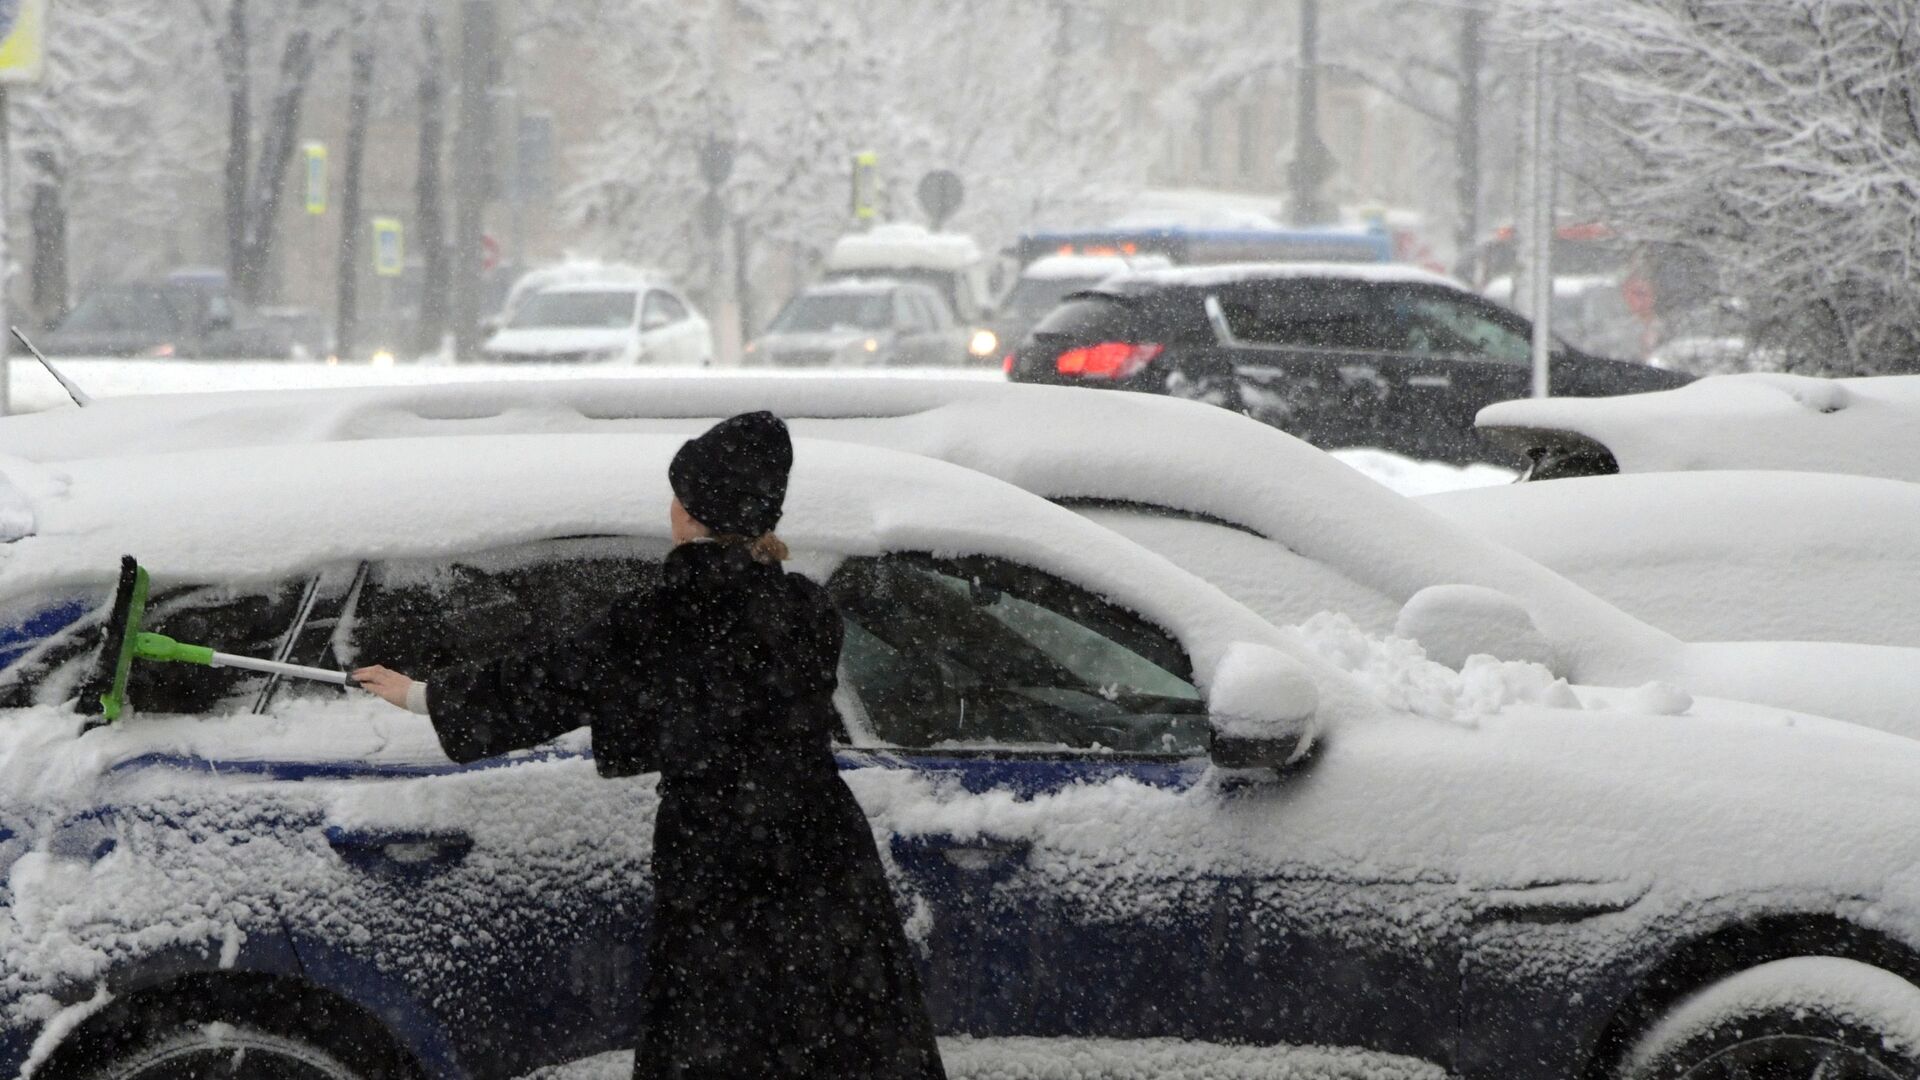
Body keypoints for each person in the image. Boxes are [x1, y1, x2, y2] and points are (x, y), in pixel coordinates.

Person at [354, 411, 946, 1080]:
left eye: (680, 495)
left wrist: (422, 695)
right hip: (822, 849)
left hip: (718, 859)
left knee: (720, 1043)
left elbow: (549, 682)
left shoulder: (664, 618)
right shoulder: (806, 611)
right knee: (840, 1040)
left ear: (692, 514)